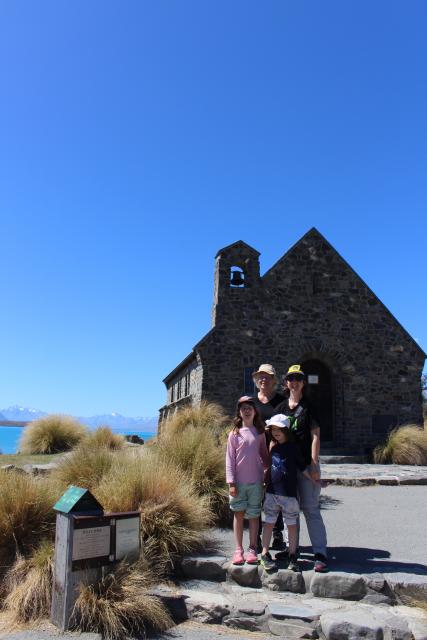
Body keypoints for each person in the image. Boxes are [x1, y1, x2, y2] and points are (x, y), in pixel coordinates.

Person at [276, 364, 328, 572]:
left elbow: (315, 434)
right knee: (290, 510)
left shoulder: (309, 406)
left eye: (298, 378)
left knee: (310, 508)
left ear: (303, 383)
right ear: (286, 383)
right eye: (291, 378)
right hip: (287, 467)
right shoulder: (280, 408)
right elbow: (274, 436)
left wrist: (314, 463)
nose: (294, 382)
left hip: (306, 465)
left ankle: (320, 552)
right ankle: (292, 549)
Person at [259, 414, 313, 573]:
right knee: (269, 522)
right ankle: (264, 552)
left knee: (291, 525)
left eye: (279, 429)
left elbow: (302, 468)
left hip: (288, 493)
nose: (275, 432)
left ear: (286, 431)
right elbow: (269, 467)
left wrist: (313, 480)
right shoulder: (273, 447)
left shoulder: (294, 448)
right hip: (272, 492)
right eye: (273, 429)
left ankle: (292, 554)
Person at [225, 395, 269, 565]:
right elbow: (230, 460)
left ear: (255, 411)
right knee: (238, 514)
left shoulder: (259, 433)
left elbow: (265, 455)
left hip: (256, 482)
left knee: (254, 515)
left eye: (250, 407)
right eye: (243, 408)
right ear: (239, 412)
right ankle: (238, 549)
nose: (247, 410)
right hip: (238, 483)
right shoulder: (234, 434)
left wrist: (267, 472)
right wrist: (231, 483)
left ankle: (252, 548)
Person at [251, 364, 286, 550]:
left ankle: (277, 533)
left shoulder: (282, 401)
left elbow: (287, 425)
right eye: (260, 377)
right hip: (255, 455)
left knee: (275, 494)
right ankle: (255, 536)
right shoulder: (251, 402)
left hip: (276, 453)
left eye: (267, 377)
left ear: (274, 380)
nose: (263, 380)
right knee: (256, 495)